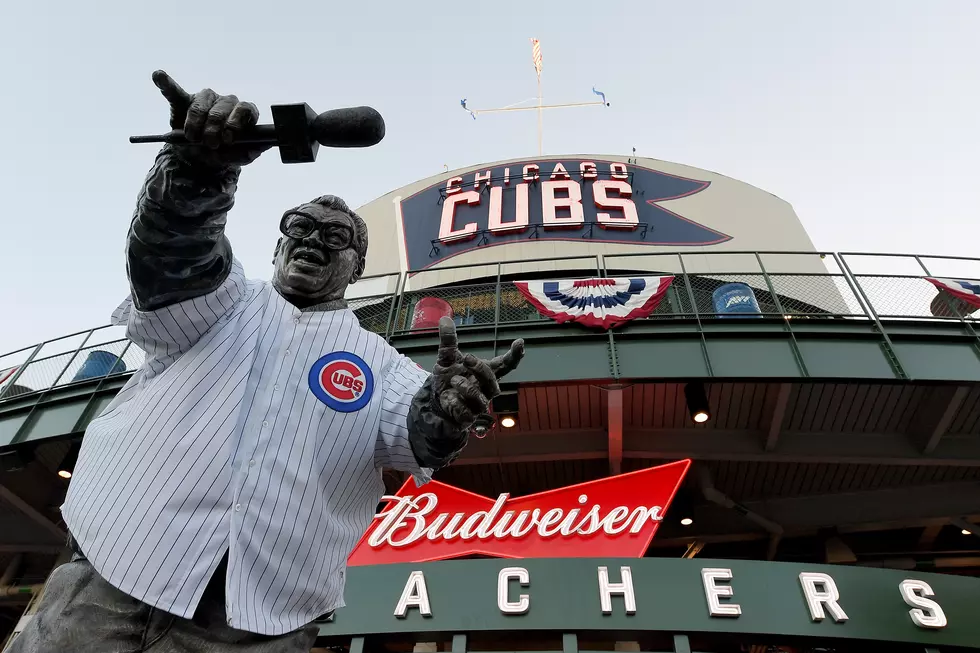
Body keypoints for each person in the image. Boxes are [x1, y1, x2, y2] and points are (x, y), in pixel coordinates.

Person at [9, 71, 524, 653]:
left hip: (259, 626)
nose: (312, 240)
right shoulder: (223, 300)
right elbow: (173, 251)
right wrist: (197, 173)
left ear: (356, 268)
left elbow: (421, 432)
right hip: (110, 581)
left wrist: (445, 409)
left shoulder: (384, 366)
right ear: (278, 246)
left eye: (334, 237)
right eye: (298, 229)